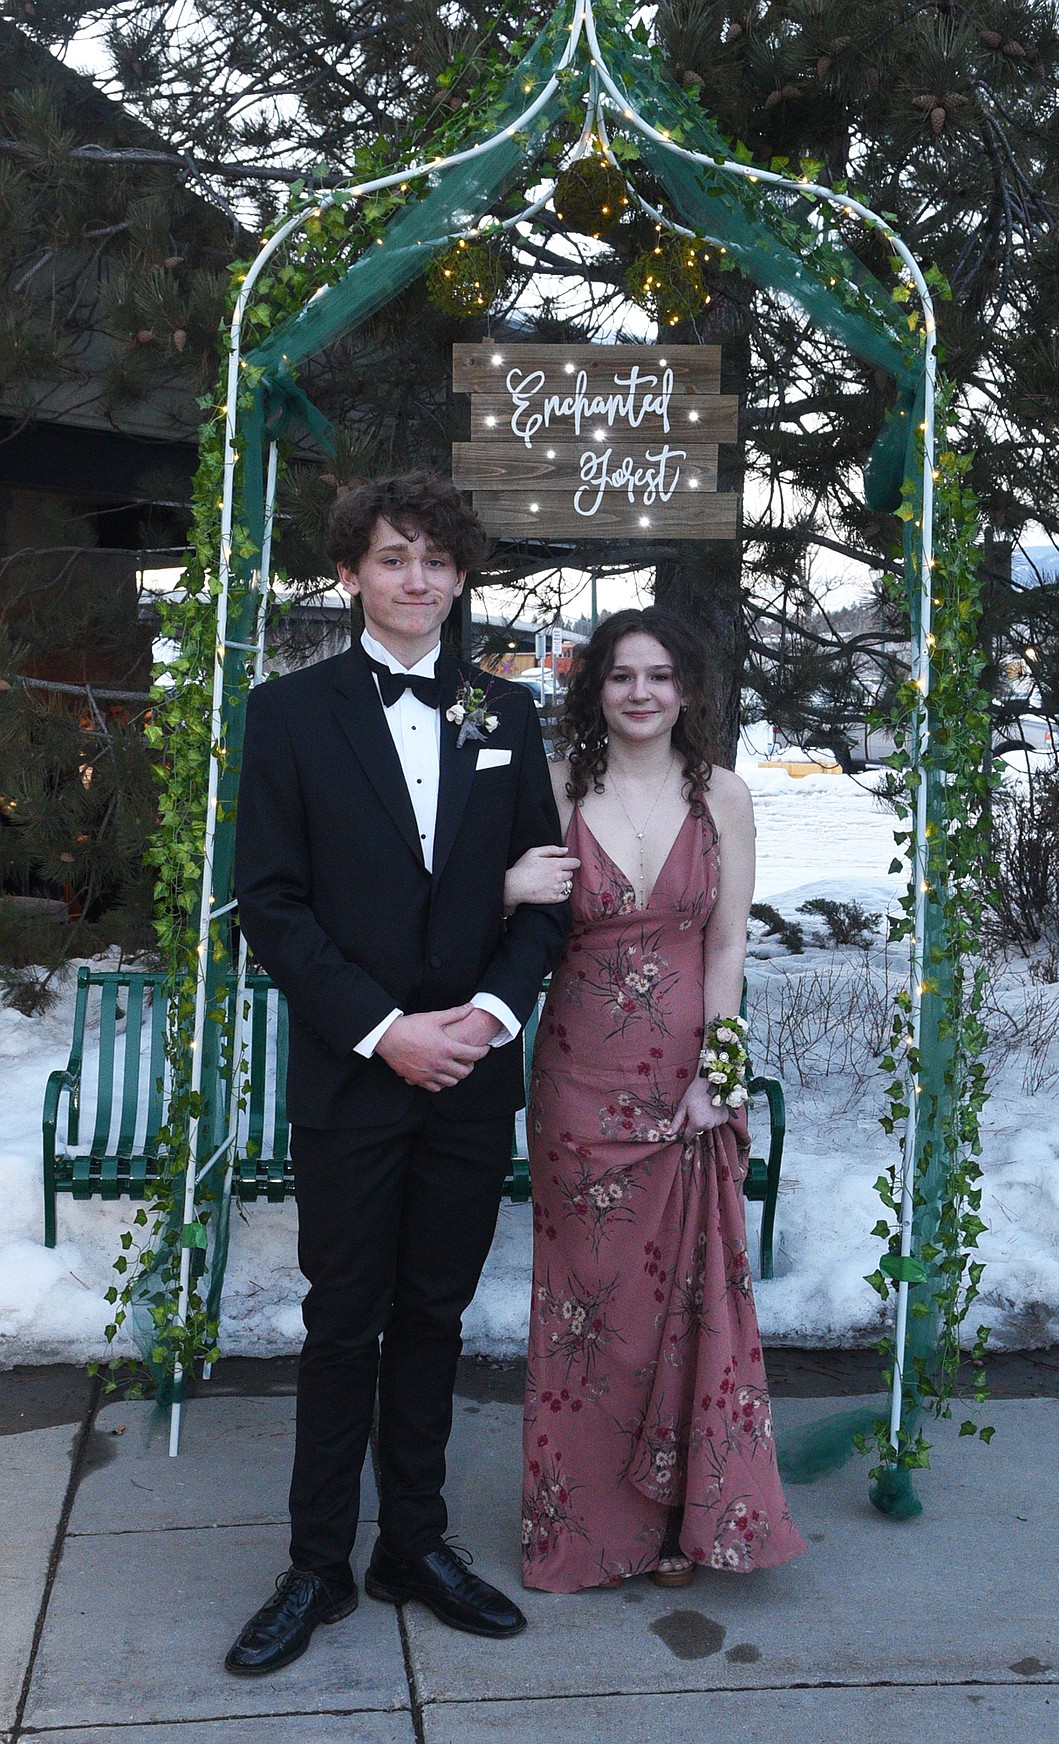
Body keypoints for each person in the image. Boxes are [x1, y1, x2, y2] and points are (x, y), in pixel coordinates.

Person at [227, 471, 573, 1673]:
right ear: (350, 575)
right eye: (391, 557)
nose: (415, 577)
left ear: (463, 574)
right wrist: (387, 1030)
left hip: (471, 1073)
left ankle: (411, 1546)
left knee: (435, 1314)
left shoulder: (506, 715)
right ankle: (318, 1564)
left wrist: (482, 1015)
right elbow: (270, 905)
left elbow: (544, 898)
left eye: (434, 557)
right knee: (342, 1322)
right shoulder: (288, 714)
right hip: (354, 1074)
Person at [503, 608, 806, 1591]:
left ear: (687, 691)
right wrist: (507, 888)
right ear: (596, 691)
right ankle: (594, 1528)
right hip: (578, 1089)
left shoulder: (723, 795)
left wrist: (721, 1073)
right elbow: (485, 921)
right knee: (592, 1314)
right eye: (622, 675)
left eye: (659, 675)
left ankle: (682, 1519)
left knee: (686, 1304)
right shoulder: (552, 790)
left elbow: (726, 946)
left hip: (687, 1088)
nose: (640, 692)